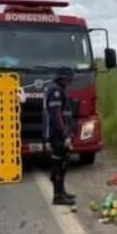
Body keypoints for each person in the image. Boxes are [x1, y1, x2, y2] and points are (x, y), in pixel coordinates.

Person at [44, 67, 77, 205]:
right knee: (58, 165)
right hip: (57, 136)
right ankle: (57, 196)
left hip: (61, 135)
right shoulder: (55, 91)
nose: (70, 82)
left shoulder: (59, 89)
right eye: (69, 80)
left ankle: (61, 192)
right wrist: (65, 136)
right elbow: (57, 116)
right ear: (63, 78)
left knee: (63, 165)